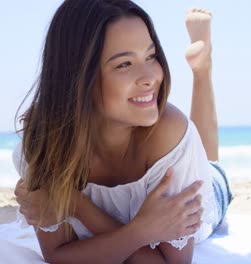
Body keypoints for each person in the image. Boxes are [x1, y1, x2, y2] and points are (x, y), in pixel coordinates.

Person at [12, 0, 232, 263]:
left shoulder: (170, 134)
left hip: (209, 188)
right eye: (124, 64)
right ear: (78, 77)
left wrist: (74, 203)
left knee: (210, 165)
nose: (150, 76)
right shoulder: (43, 145)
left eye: (151, 56)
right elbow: (58, 256)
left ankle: (202, 70)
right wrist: (140, 232)